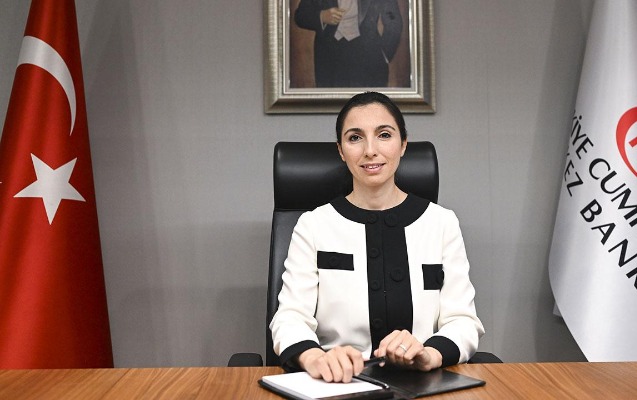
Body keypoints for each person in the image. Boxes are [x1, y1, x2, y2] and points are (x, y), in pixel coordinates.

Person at [270, 92, 485, 383]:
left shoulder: (441, 223)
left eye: (384, 135)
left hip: (424, 383)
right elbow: (290, 317)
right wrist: (316, 358)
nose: (370, 150)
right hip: (337, 383)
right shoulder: (313, 225)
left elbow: (463, 321)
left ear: (403, 144)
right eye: (355, 138)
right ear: (341, 150)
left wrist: (429, 355)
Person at [294, 0, 403, 87]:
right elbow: (300, 16)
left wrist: (384, 55)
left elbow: (393, 19)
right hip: (330, 59)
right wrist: (322, 16)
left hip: (368, 59)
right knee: (332, 106)